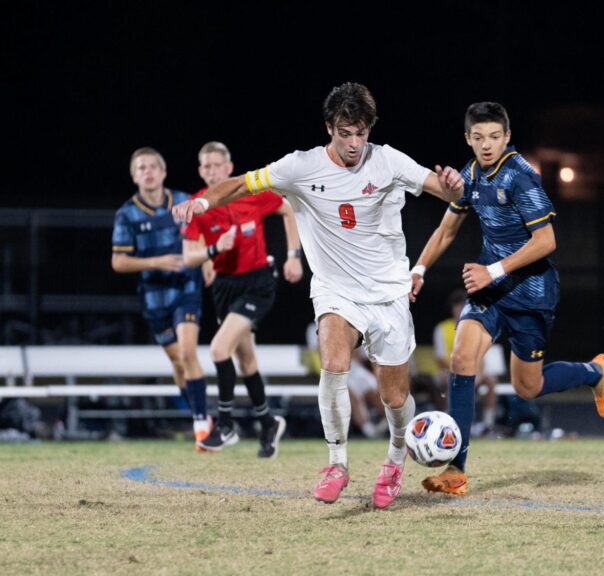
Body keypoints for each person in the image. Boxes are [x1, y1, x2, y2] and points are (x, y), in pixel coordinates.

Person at [174, 82, 464, 509]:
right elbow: (239, 185)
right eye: (345, 132)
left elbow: (447, 192)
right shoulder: (300, 167)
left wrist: (454, 184)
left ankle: (394, 461)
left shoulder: (388, 160)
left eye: (361, 132)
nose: (353, 143)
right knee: (333, 362)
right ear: (329, 127)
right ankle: (337, 463)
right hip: (335, 290)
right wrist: (201, 205)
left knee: (394, 397)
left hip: (388, 293)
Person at [410, 102, 604, 496]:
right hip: (490, 290)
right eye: (478, 138)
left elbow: (547, 241)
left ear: (506, 137)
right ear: (468, 139)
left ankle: (595, 372)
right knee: (461, 358)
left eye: (493, 137)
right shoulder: (471, 174)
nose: (486, 145)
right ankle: (456, 469)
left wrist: (494, 270)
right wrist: (418, 269)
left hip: (531, 293)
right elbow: (447, 230)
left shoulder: (522, 177)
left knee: (527, 387)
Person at [182, 141, 303, 458]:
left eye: (215, 165)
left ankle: (225, 425)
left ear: (228, 168)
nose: (210, 171)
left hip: (258, 282)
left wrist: (293, 256)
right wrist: (213, 251)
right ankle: (268, 422)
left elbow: (288, 209)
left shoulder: (249, 193)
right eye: (205, 166)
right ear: (199, 171)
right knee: (246, 360)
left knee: (220, 349)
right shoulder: (197, 204)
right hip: (224, 287)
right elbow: (188, 256)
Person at [112, 147, 211, 451]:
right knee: (178, 361)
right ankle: (198, 410)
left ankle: (201, 424)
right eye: (142, 168)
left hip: (186, 288)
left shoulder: (183, 201)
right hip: (154, 297)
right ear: (134, 175)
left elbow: (202, 231)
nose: (149, 171)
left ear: (164, 172)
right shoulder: (127, 214)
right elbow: (118, 262)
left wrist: (206, 261)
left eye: (154, 166)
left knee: (188, 349)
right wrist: (156, 262)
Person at [433, 288, 506, 434]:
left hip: (473, 370)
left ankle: (488, 424)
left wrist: (477, 374)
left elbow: (481, 356)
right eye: (457, 306)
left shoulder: (475, 327)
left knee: (491, 379)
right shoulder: (442, 328)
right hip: (448, 370)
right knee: (450, 380)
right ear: (452, 308)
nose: (460, 309)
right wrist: (461, 372)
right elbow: (440, 359)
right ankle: (450, 424)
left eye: (463, 305)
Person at [305, 321, 388, 439]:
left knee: (378, 392)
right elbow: (321, 353)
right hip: (334, 371)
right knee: (355, 395)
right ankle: (369, 431)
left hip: (354, 369)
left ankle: (392, 427)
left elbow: (359, 355)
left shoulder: (351, 324)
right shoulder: (315, 327)